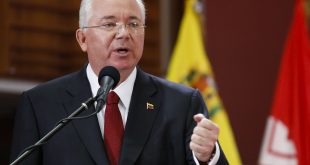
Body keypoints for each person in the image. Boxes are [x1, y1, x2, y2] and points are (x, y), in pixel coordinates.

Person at [10, 0, 228, 164]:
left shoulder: (182, 104)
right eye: (109, 24)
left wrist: (208, 156)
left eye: (134, 24)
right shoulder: (41, 104)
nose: (124, 33)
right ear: (82, 39)